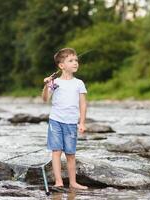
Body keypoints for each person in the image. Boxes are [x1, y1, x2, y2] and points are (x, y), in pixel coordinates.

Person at [42, 48, 88, 190]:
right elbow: (45, 99)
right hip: (56, 121)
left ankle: (73, 182)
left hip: (71, 122)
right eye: (71, 60)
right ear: (61, 66)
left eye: (76, 60)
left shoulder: (79, 83)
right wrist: (46, 85)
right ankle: (59, 182)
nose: (75, 63)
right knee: (56, 151)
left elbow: (83, 103)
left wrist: (82, 122)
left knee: (70, 153)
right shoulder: (55, 82)